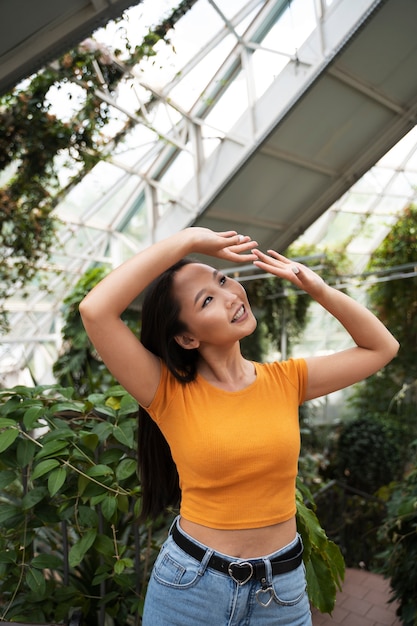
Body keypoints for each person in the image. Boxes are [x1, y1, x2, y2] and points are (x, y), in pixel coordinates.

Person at [79, 227, 398, 626]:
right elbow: (95, 310)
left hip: (279, 594)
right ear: (187, 337)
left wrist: (317, 288)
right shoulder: (165, 390)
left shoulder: (287, 379)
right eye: (208, 299)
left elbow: (382, 347)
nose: (231, 296)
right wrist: (190, 239)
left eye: (223, 278)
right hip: (190, 589)